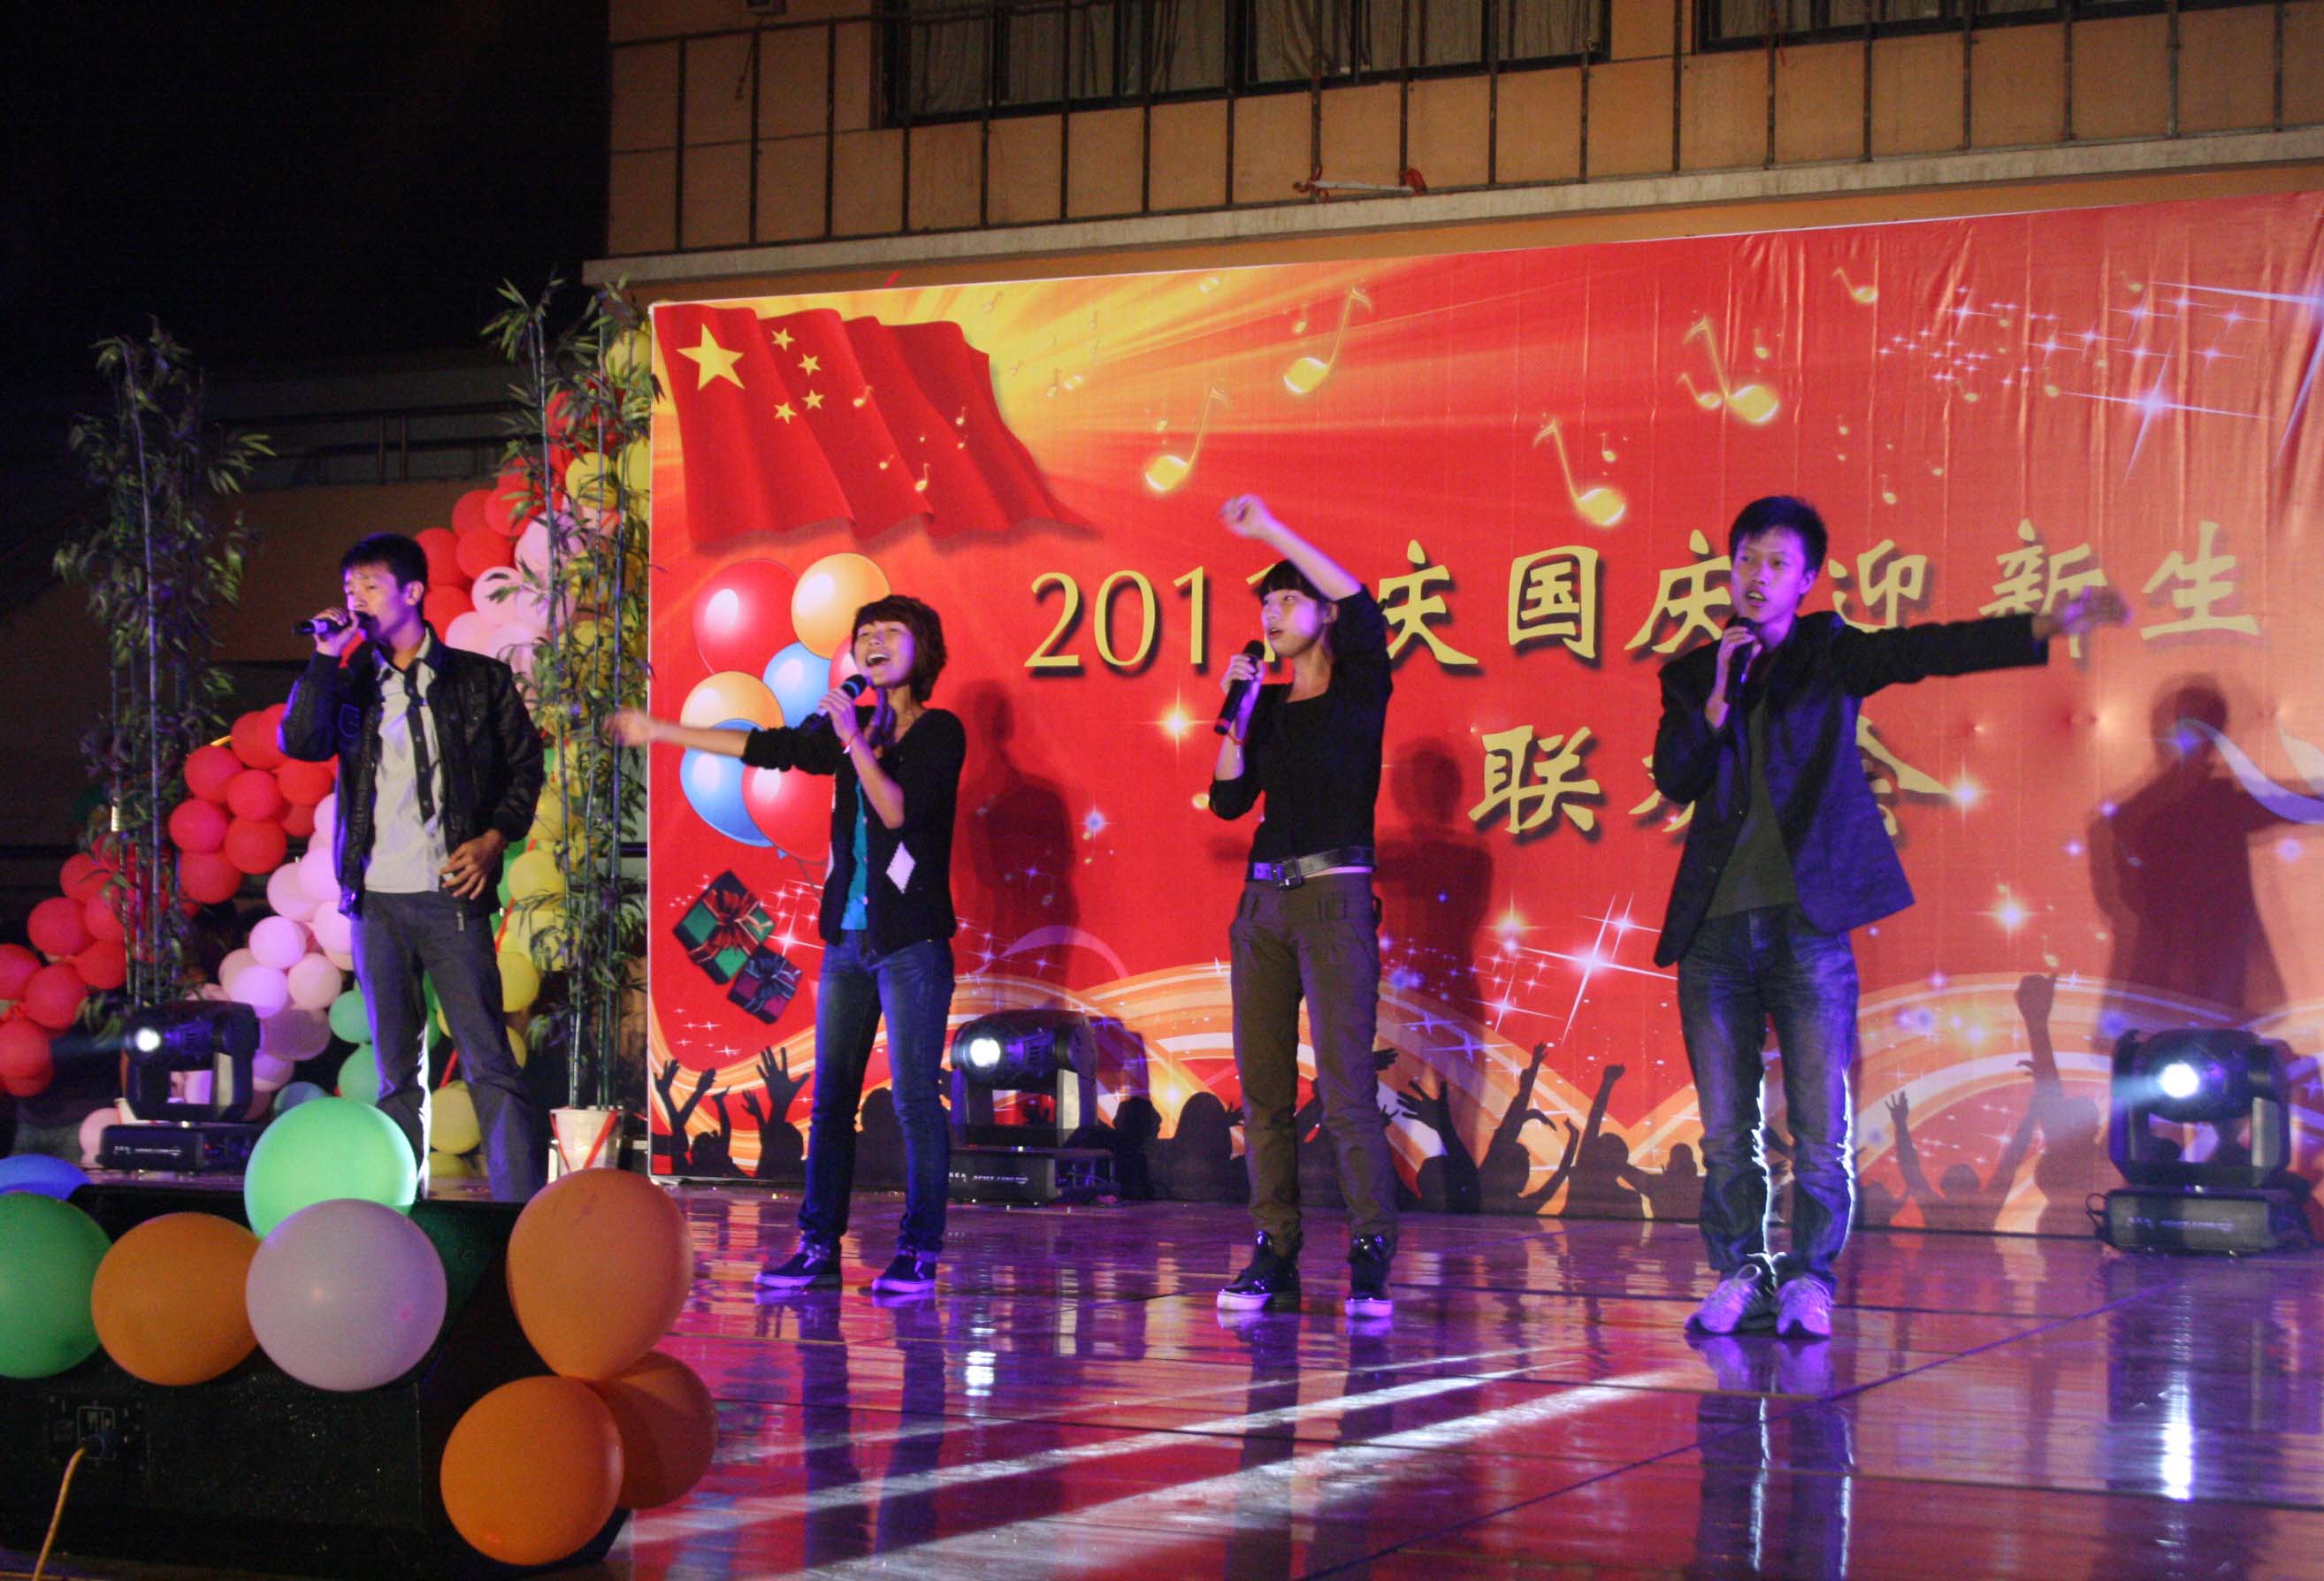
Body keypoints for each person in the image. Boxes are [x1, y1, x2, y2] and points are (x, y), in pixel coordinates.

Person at [1651, 495, 2124, 1340]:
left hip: (1806, 927)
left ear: (1806, 579)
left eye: (1776, 564)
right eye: (1746, 559)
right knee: (1726, 1133)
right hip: (1714, 936)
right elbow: (1677, 779)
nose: (1757, 576)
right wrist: (1718, 698)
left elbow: (1928, 650)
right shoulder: (1693, 675)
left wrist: (2041, 625)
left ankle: (1810, 1279)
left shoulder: (1829, 654)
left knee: (1820, 1127)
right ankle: (1740, 1273)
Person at [612, 595, 963, 1295]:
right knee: (830, 1102)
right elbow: (768, 748)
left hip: (911, 944)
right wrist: (660, 729)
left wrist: (854, 740)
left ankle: (918, 1252)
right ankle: (817, 1247)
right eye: (864, 634)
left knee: (915, 1102)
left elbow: (896, 812)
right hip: (848, 943)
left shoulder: (938, 732)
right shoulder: (849, 730)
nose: (872, 642)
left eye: (890, 632)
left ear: (923, 648)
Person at [279, 533, 547, 1201]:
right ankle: (403, 1209)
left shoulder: (478, 681)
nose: (356, 600)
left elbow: (524, 770)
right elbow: (302, 740)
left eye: (370, 586)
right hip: (376, 901)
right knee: (397, 1071)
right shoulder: (349, 684)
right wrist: (324, 656)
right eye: (349, 590)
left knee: (488, 1060)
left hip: (449, 893)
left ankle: (517, 1215)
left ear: (412, 591)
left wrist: (493, 839)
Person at [1207, 495, 1397, 1318]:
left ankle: (1368, 1252)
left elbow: (1363, 606)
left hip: (1334, 897)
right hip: (1263, 905)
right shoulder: (1270, 707)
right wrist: (1238, 711)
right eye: (1266, 603)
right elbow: (1227, 800)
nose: (1272, 614)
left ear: (1323, 614)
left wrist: (1270, 532)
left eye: (1288, 600)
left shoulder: (1360, 686)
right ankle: (1274, 1249)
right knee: (1264, 1091)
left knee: (1347, 1089)